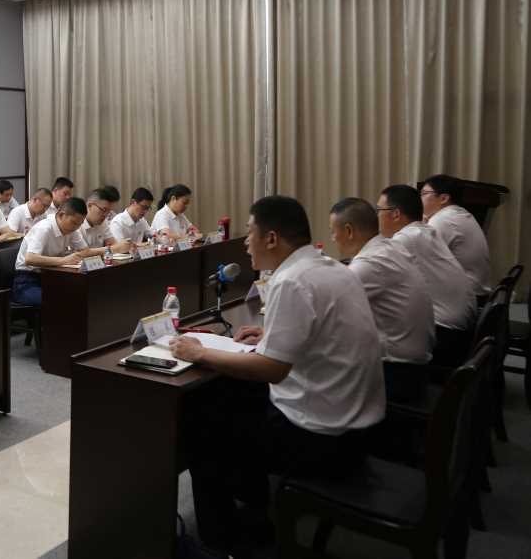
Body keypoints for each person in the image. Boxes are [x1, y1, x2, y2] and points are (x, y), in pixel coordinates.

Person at [168, 195, 384, 557]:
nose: (245, 243)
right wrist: (270, 336)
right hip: (357, 427)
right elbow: (318, 335)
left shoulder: (292, 281)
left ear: (271, 238)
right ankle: (257, 506)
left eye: (249, 232)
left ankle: (225, 543)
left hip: (321, 439)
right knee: (227, 398)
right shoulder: (331, 268)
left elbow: (272, 369)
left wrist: (200, 352)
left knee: (202, 433)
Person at [329, 197, 435, 402]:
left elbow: (327, 310)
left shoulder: (371, 262)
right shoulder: (389, 247)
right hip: (416, 365)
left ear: (349, 231)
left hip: (397, 374)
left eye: (333, 231)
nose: (333, 238)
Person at [377, 184, 476, 367]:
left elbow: (371, 275)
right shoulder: (423, 230)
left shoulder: (405, 239)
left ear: (396, 214)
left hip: (445, 334)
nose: (377, 216)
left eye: (379, 210)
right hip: (462, 326)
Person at [12, 198, 101, 307]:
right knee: (59, 300)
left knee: (82, 294)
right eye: (74, 223)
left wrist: (110, 249)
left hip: (51, 276)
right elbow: (30, 258)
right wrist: (64, 260)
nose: (76, 227)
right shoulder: (44, 228)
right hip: (27, 281)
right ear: (61, 215)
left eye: (80, 224)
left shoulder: (72, 229)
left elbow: (85, 251)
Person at [420, 174, 491, 299]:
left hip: (465, 297)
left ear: (443, 198)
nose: (419, 199)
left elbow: (420, 260)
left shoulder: (443, 220)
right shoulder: (458, 214)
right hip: (475, 291)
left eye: (424, 194)